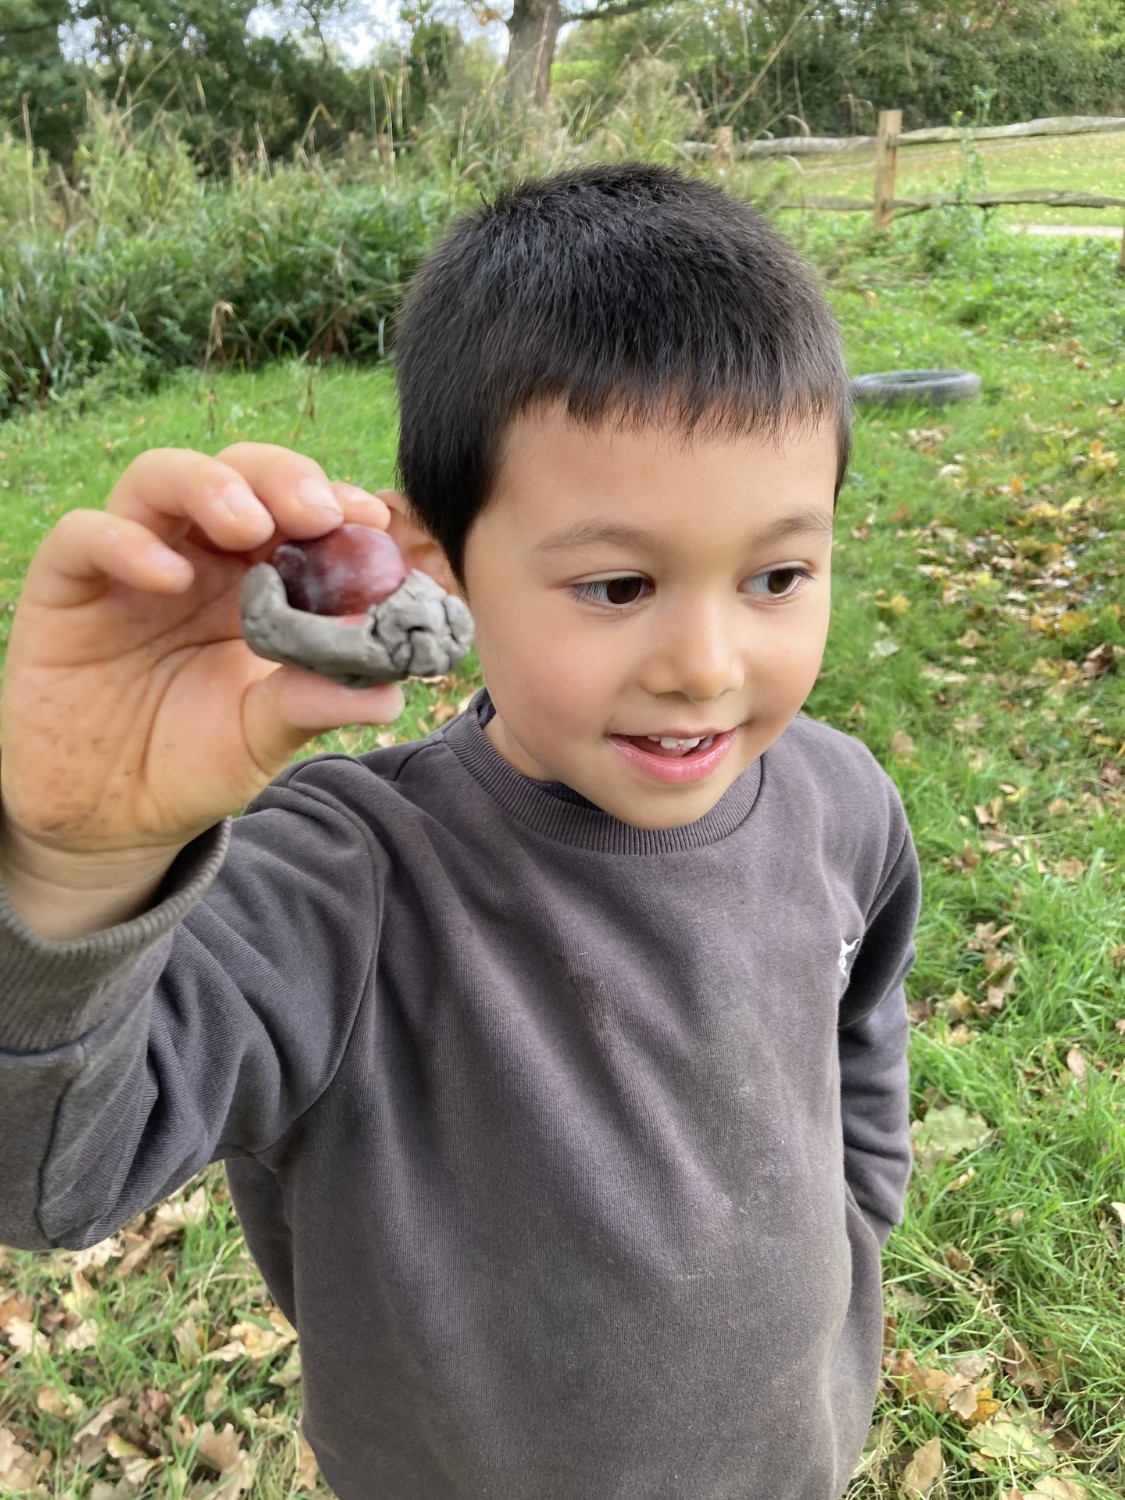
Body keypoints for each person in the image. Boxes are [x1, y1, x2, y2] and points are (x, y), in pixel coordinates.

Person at [0, 163, 921, 1499]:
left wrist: (856, 1221)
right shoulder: (347, 886)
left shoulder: (843, 803)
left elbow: (862, 1023)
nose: (708, 665)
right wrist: (77, 860)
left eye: (778, 574)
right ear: (439, 564)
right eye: (618, 585)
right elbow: (46, 1179)